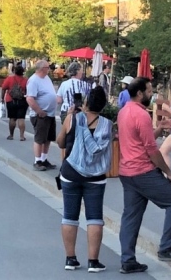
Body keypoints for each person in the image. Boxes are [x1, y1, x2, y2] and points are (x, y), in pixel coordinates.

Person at [117, 77, 171, 274]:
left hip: (127, 172)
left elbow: (138, 140)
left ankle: (128, 259)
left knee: (131, 216)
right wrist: (169, 173)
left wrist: (159, 129)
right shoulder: (141, 115)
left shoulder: (124, 111)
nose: (151, 95)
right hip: (143, 171)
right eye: (149, 91)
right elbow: (151, 150)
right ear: (140, 93)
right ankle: (166, 248)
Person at [56, 87, 113, 273]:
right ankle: (93, 261)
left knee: (69, 216)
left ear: (86, 102)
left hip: (71, 172)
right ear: (103, 105)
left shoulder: (73, 118)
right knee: (95, 217)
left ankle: (70, 259)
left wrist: (68, 117)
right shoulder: (107, 124)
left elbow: (60, 142)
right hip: (96, 176)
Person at [27, 60, 59, 171]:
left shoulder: (46, 78)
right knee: (40, 138)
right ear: (42, 68)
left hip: (50, 113)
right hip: (40, 114)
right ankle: (37, 160)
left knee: (48, 138)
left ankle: (44, 159)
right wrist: (39, 111)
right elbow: (30, 98)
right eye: (47, 67)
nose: (49, 68)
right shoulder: (34, 80)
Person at [2, 64, 29, 141]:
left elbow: (3, 88)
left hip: (10, 100)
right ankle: (21, 136)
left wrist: (2, 98)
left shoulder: (9, 79)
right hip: (22, 101)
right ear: (23, 72)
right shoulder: (26, 80)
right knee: (21, 118)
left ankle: (11, 135)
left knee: (12, 118)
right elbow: (28, 91)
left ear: (14, 71)